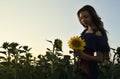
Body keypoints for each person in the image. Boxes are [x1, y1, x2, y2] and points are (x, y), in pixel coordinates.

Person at [76, 5, 110, 79]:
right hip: (80, 65)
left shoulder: (97, 33)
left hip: (90, 68)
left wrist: (83, 56)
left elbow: (100, 58)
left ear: (92, 16)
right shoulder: (84, 32)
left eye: (86, 17)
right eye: (81, 18)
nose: (83, 20)